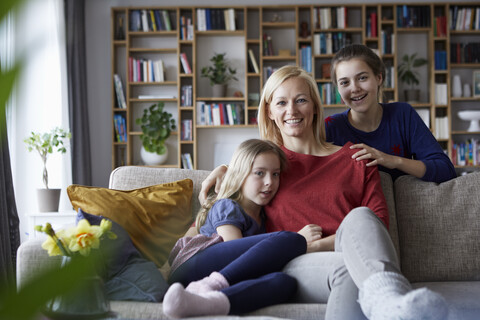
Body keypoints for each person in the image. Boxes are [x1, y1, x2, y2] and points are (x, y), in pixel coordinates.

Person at [199, 66, 448, 320]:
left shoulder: (357, 158)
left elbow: (376, 227)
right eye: (281, 102)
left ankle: (387, 303)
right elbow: (222, 214)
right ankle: (392, 303)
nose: (292, 111)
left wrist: (319, 244)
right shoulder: (265, 169)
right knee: (348, 270)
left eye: (301, 100)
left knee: (361, 218)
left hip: (361, 258)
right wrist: (225, 170)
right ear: (270, 112)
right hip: (296, 263)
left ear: (315, 107)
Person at [163, 139, 307, 319]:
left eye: (275, 174)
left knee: (285, 283)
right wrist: (306, 244)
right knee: (293, 240)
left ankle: (207, 302)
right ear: (240, 175)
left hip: (213, 275)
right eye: (259, 173)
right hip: (192, 264)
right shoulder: (227, 206)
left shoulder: (263, 217)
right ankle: (209, 285)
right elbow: (236, 252)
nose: (269, 182)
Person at [326, 44, 456, 183]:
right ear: (338, 90)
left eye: (362, 78)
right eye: (345, 82)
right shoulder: (330, 127)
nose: (355, 88)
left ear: (379, 78)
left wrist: (392, 160)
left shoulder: (402, 115)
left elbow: (446, 170)